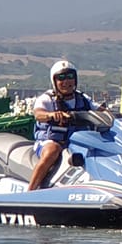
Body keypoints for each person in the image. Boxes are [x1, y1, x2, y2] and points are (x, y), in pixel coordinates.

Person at [24, 60, 98, 189]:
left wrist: (120, 115)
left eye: (70, 77)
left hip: (77, 142)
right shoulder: (47, 98)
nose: (66, 81)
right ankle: (30, 190)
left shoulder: (83, 98)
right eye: (61, 78)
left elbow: (99, 110)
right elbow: (38, 113)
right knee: (52, 151)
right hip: (50, 141)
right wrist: (50, 115)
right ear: (54, 81)